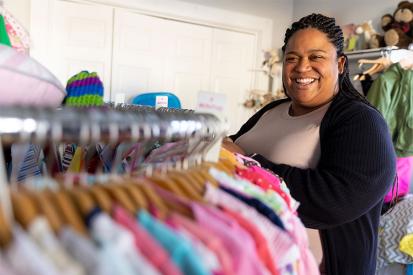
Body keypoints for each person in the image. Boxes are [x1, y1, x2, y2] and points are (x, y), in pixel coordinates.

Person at [223, 14, 396, 275]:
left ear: (339, 64)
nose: (302, 67)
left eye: (316, 57)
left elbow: (336, 199)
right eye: (292, 58)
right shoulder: (273, 110)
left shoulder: (360, 120)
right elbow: (232, 148)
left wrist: (247, 162)